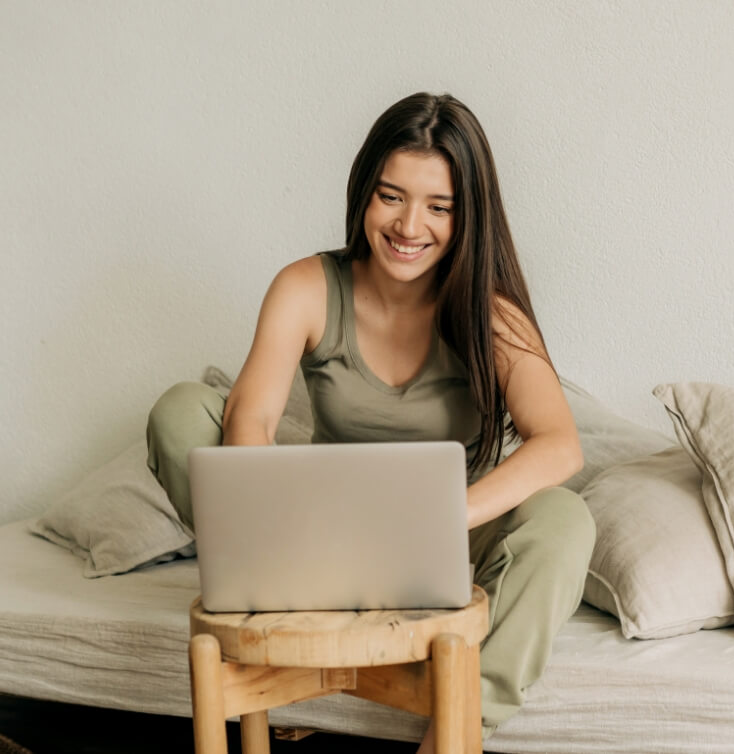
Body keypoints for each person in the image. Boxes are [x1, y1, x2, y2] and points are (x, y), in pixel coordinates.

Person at [146, 92, 595, 751]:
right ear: (363, 193)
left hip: (447, 540)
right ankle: (283, 613)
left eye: (439, 207)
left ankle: (458, 730)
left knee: (564, 519)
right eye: (391, 197)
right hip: (312, 535)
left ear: (467, 215)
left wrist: (443, 517)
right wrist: (262, 521)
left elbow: (559, 445)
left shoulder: (491, 314)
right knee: (180, 409)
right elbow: (251, 419)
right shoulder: (305, 286)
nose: (410, 225)